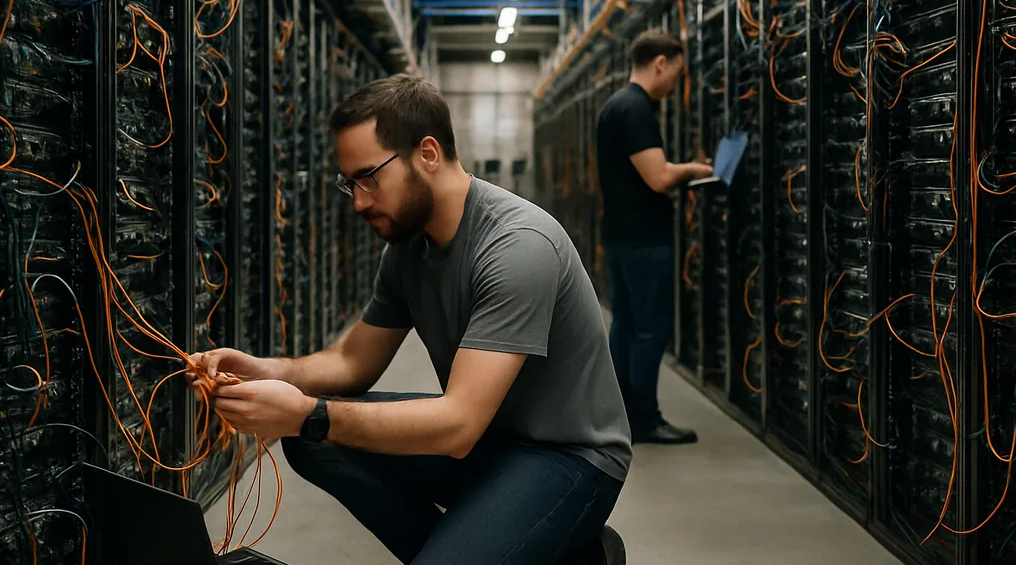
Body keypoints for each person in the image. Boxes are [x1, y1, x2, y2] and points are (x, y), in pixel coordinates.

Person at [186, 75, 631, 565]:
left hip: (567, 458)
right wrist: (266, 371)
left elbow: (458, 424)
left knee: (315, 424)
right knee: (314, 444)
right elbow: (353, 361)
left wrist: (308, 414)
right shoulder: (409, 246)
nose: (358, 201)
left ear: (428, 153)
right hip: (491, 443)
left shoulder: (518, 245)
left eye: (369, 177)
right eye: (348, 182)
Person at [595, 30, 714, 445]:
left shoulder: (616, 105)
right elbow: (659, 177)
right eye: (677, 74)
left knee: (627, 325)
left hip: (621, 236)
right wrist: (696, 171)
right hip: (643, 240)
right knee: (649, 330)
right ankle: (645, 419)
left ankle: (620, 413)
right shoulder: (635, 109)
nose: (676, 84)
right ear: (660, 63)